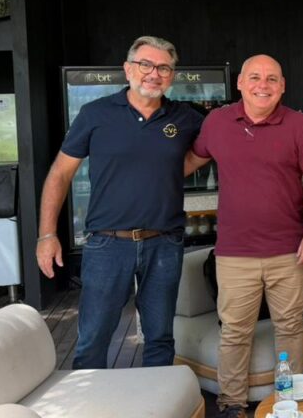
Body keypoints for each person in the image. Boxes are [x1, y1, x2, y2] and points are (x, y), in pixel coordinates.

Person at [36, 36, 203, 369]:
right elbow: (60, 174)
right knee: (93, 339)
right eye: (146, 65)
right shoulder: (95, 114)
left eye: (164, 68)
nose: (154, 74)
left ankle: (158, 397)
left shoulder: (185, 117)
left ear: (172, 76)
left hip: (164, 243)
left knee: (160, 338)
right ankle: (91, 398)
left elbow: (206, 150)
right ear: (128, 69)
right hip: (107, 245)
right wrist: (47, 235)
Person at [185, 55, 303, 418]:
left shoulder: (299, 125)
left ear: (282, 86)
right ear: (240, 83)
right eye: (255, 77)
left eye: (271, 79)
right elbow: (189, 162)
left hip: (288, 249)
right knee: (234, 330)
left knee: (291, 327)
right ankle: (232, 403)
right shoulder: (217, 122)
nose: (263, 85)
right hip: (234, 251)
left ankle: (288, 399)